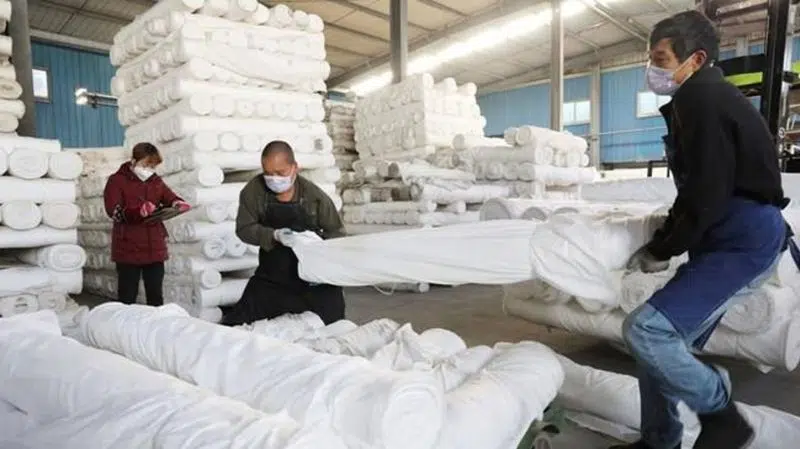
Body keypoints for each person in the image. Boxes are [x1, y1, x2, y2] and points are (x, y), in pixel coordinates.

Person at [614, 11, 793, 449]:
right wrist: (667, 238)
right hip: (729, 234)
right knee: (659, 345)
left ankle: (722, 415)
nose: (653, 69)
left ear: (694, 59)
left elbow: (706, 193)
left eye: (660, 58)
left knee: (646, 331)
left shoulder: (702, 100)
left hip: (743, 240)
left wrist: (662, 248)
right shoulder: (702, 98)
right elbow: (699, 188)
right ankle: (660, 440)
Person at [220, 140, 346, 326]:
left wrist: (317, 247)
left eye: (280, 173)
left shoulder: (314, 197)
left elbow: (337, 233)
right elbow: (244, 229)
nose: (274, 179)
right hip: (272, 277)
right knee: (237, 326)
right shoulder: (254, 192)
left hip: (311, 278)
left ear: (295, 167)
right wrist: (273, 235)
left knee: (333, 323)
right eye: (268, 174)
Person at [103, 142, 191, 306]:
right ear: (133, 161)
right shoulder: (116, 181)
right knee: (128, 296)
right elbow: (113, 211)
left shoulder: (155, 181)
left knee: (155, 296)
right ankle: (125, 322)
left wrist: (177, 203)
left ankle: (156, 322)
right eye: (145, 165)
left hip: (154, 246)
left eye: (152, 166)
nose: (149, 170)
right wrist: (138, 211)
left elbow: (169, 197)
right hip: (129, 247)